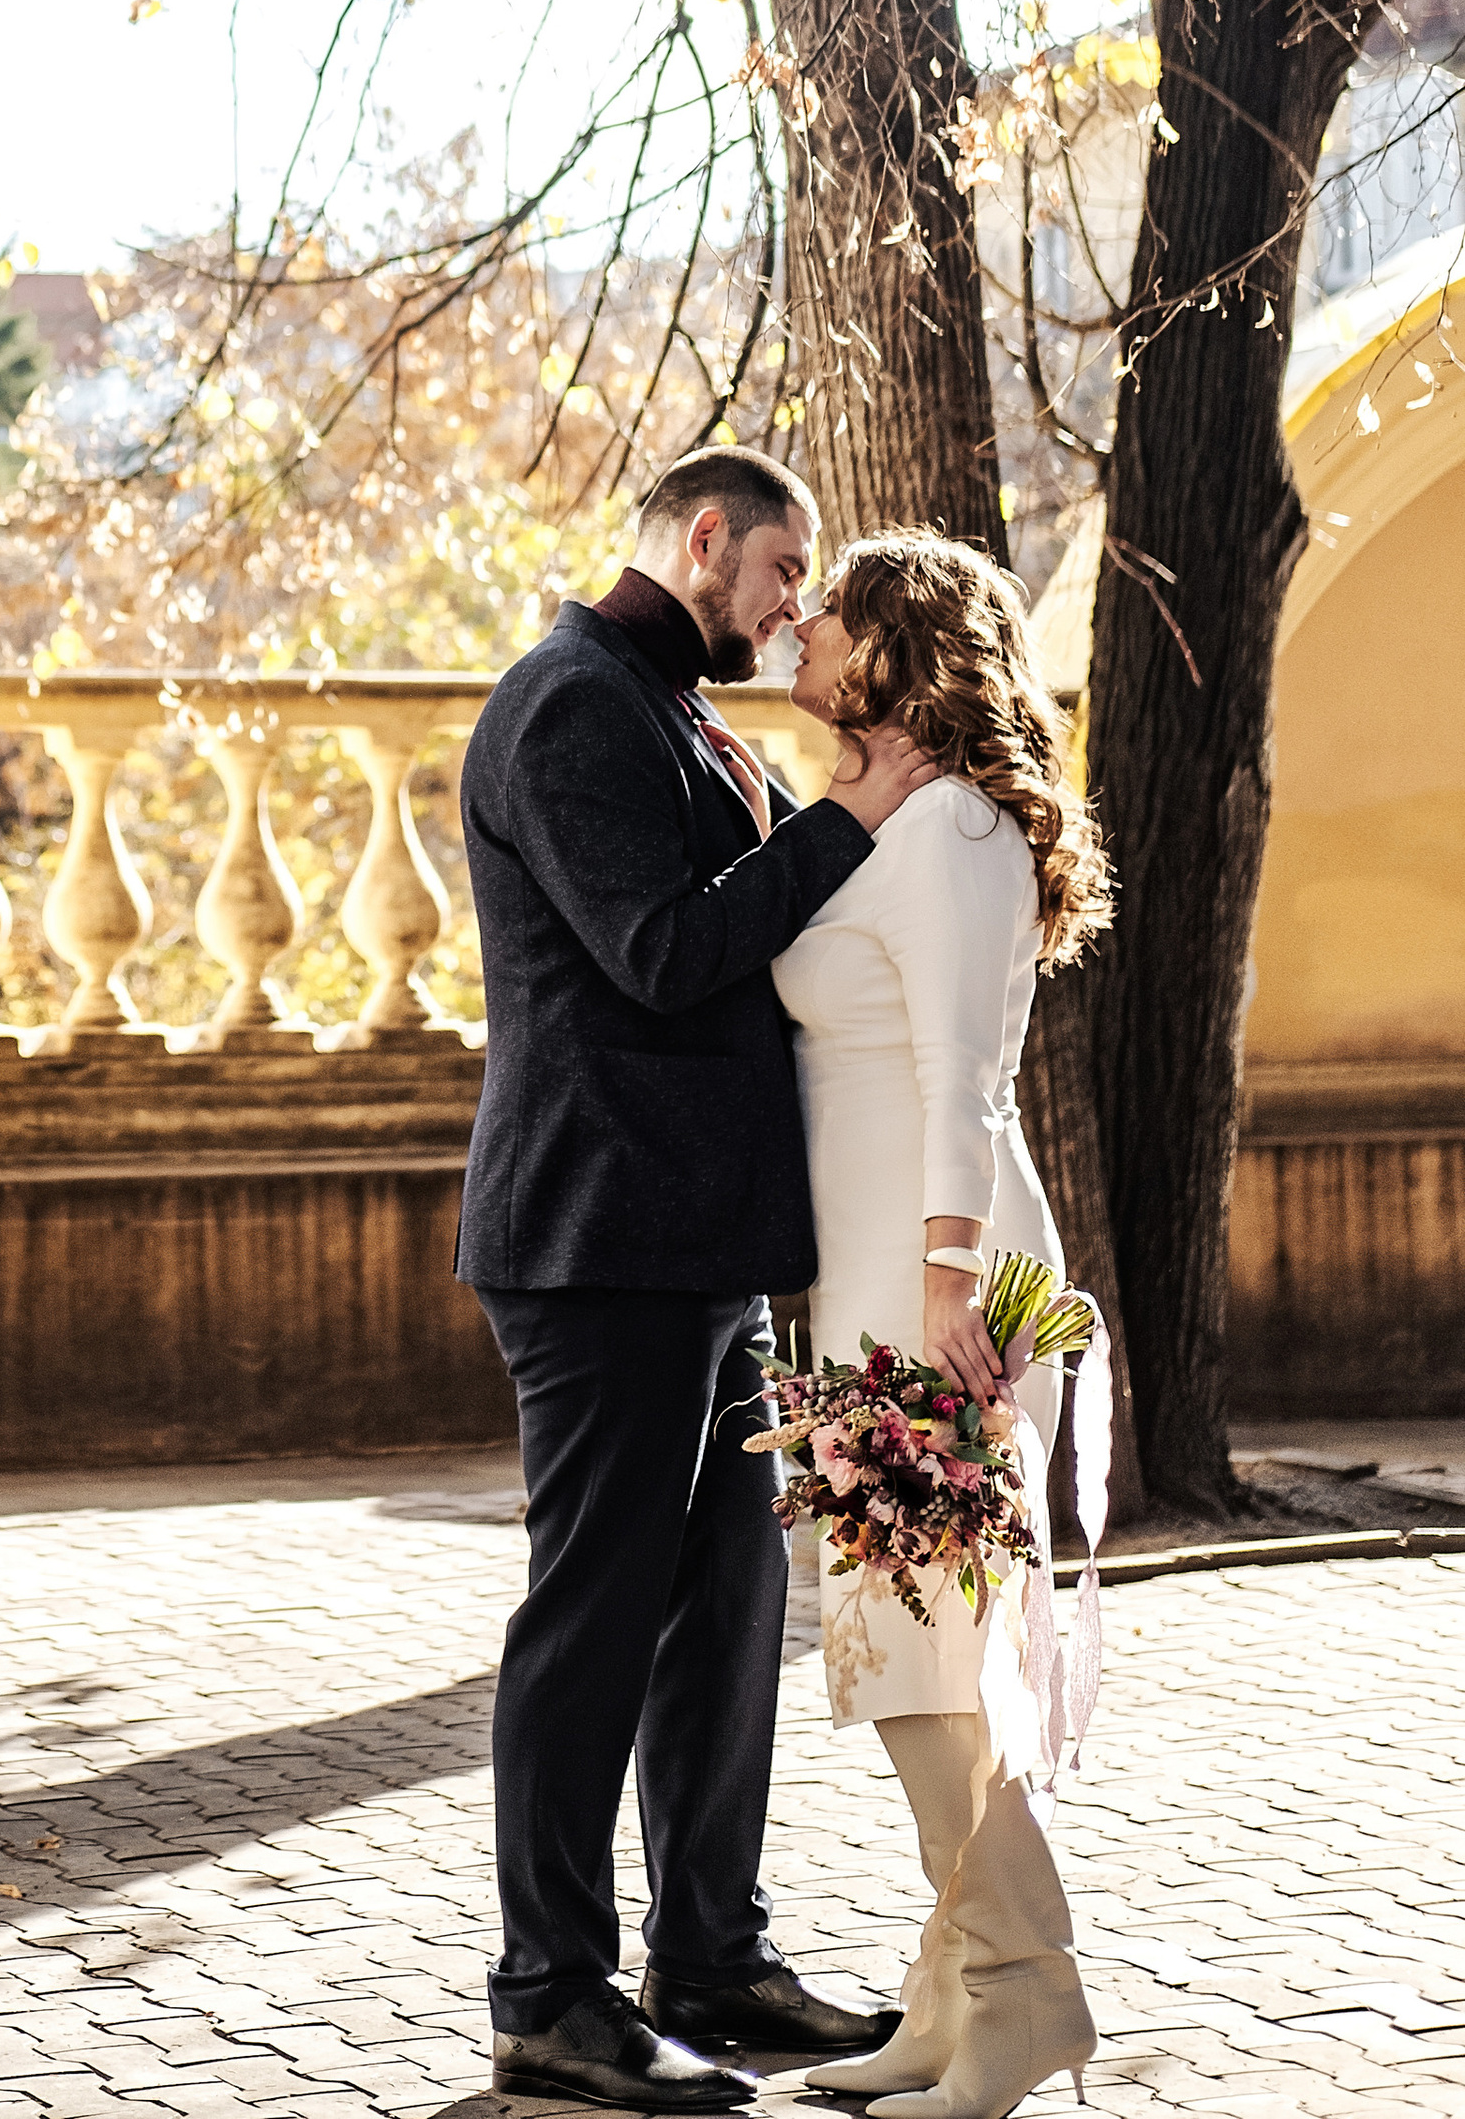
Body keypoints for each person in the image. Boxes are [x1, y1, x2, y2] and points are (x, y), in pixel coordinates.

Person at [458, 445, 934, 2113]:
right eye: (782, 572)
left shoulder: (669, 710)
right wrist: (855, 814)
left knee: (728, 1613)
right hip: (599, 1246)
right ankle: (549, 1996)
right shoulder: (571, 705)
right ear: (706, 537)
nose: (791, 606)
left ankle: (711, 1960)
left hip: (698, 1250)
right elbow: (661, 952)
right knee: (592, 1616)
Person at [775, 531, 1115, 2119]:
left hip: (937, 1291)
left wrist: (946, 1288)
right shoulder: (889, 823)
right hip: (877, 1281)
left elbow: (971, 1083)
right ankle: (942, 2003)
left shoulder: (963, 830)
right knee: (905, 1652)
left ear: (897, 646)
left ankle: (1028, 2001)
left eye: (827, 609)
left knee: (921, 1669)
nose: (800, 622)